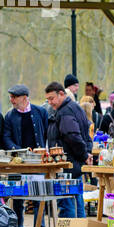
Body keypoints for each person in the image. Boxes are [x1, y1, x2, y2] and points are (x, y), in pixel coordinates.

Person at [1, 85, 48, 227]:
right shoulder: (9, 116)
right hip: (19, 161)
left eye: (14, 97)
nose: (11, 100)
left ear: (24, 97)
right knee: (17, 195)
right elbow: (6, 137)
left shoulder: (40, 112)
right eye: (11, 97)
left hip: (38, 161)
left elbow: (46, 132)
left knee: (39, 194)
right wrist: (18, 149)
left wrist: (42, 150)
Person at [45, 80, 92, 218]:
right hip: (75, 164)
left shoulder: (65, 112)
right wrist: (86, 154)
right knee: (77, 201)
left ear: (61, 94)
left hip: (67, 165)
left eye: (52, 98)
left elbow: (73, 137)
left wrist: (84, 155)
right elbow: (86, 135)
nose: (50, 103)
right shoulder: (75, 108)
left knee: (67, 204)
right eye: (47, 99)